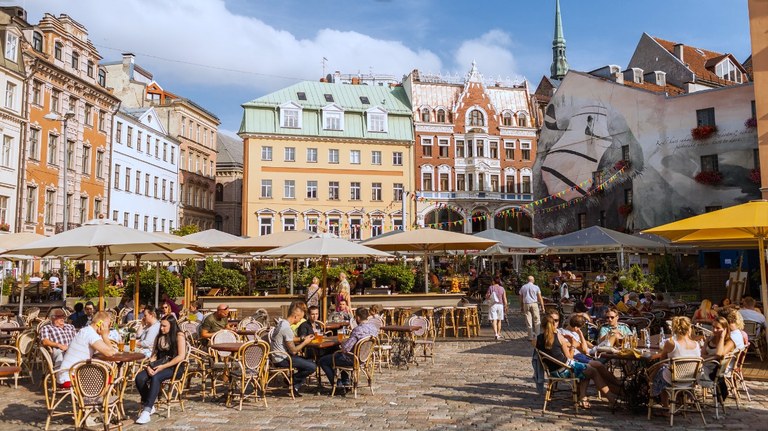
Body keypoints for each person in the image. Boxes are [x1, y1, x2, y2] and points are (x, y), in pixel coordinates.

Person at [536, 314, 621, 409]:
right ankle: (611, 399)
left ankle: (583, 397)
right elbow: (570, 358)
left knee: (586, 370)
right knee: (594, 371)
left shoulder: (538, 339)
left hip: (552, 371)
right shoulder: (559, 337)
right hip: (565, 369)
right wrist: (572, 344)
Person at [134, 316, 187, 425]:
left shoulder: (179, 335)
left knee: (156, 377)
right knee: (139, 378)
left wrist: (163, 367)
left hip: (174, 367)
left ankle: (147, 410)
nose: (162, 328)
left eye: (164, 326)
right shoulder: (159, 336)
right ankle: (150, 403)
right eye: (161, 325)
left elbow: (181, 356)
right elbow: (153, 355)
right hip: (159, 364)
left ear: (171, 326)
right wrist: (149, 366)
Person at [318, 307, 379, 394]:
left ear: (357, 318)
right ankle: (346, 382)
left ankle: (338, 385)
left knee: (324, 360)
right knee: (338, 356)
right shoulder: (374, 329)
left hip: (352, 360)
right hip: (365, 359)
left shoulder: (357, 330)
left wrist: (342, 342)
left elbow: (345, 349)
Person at [649, 316, 702, 408]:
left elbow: (662, 361)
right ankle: (681, 401)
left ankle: (665, 405)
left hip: (674, 379)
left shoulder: (671, 343)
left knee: (660, 372)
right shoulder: (696, 344)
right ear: (689, 329)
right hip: (691, 379)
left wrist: (652, 373)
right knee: (663, 370)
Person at [57, 311, 117, 386]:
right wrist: (105, 335)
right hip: (69, 378)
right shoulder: (90, 334)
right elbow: (111, 353)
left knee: (105, 376)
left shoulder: (86, 331)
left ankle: (93, 397)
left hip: (67, 374)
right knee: (109, 379)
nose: (108, 328)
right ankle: (98, 397)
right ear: (101, 324)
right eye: (108, 325)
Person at [270, 302, 316, 395]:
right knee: (312, 366)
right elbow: (294, 351)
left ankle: (295, 387)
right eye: (300, 318)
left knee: (308, 361)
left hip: (276, 356)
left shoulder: (282, 323)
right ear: (295, 316)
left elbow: (288, 339)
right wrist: (305, 342)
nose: (300, 321)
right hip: (282, 359)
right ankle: (291, 381)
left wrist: (302, 338)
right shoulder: (287, 328)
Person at [519, 276, 544, 341]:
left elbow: (521, 298)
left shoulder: (523, 287)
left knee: (528, 320)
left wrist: (521, 306)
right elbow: (539, 297)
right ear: (533, 280)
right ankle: (537, 336)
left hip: (526, 304)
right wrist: (542, 306)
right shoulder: (536, 287)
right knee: (537, 319)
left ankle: (530, 336)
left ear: (527, 280)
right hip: (534, 303)